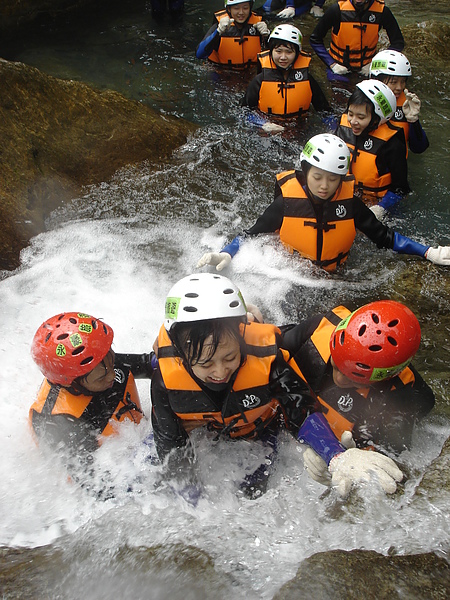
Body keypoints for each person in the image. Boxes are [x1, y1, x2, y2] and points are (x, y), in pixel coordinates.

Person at [151, 272, 405, 497]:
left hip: (259, 433)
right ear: (181, 355)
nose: (220, 372)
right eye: (206, 364)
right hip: (206, 431)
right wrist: (190, 497)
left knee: (253, 494)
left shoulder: (268, 360)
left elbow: (300, 406)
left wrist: (335, 455)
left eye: (230, 357)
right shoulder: (165, 375)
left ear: (241, 336)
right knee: (155, 476)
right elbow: (169, 439)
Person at [197, 133, 450, 273]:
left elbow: (386, 237)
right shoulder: (285, 204)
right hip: (289, 273)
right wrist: (226, 252)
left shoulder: (350, 205)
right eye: (317, 177)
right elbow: (250, 234)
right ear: (304, 173)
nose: (324, 186)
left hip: (335, 273)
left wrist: (427, 252)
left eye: (333, 179)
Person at [280, 301, 435, 461]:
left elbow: (392, 466)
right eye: (337, 366)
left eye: (355, 380)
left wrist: (352, 462)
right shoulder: (323, 326)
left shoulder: (399, 396)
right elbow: (265, 349)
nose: (339, 379)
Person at [29, 312, 156, 470]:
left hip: (134, 437)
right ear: (71, 384)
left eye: (111, 362)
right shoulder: (61, 423)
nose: (112, 375)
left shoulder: (98, 362)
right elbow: (98, 486)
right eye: (102, 377)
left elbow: (149, 364)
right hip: (108, 468)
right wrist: (147, 452)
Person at [335, 79, 410, 215]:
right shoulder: (343, 127)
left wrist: (381, 208)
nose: (353, 121)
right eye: (351, 114)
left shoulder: (392, 143)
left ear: (377, 119)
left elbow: (401, 189)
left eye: (361, 117)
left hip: (377, 205)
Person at [241, 24, 330, 121]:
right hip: (268, 128)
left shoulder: (307, 79)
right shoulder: (260, 80)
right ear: (271, 52)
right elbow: (244, 111)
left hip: (299, 126)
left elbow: (325, 111)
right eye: (278, 51)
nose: (283, 57)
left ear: (297, 54)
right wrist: (262, 124)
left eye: (289, 52)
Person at [309, 0, 404, 82]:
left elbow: (398, 43)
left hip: (368, 69)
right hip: (339, 68)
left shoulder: (382, 12)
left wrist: (375, 63)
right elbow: (315, 39)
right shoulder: (336, 10)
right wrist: (332, 64)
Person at [370, 49, 429, 155]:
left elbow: (419, 148)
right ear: (376, 80)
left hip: (396, 165)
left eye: (403, 82)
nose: (399, 87)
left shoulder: (406, 104)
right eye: (393, 82)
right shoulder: (361, 102)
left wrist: (414, 121)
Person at [196, 0, 270, 69]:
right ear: (229, 9)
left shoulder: (258, 24)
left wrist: (267, 36)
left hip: (249, 72)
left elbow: (275, 52)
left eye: (245, 8)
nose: (241, 12)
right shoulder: (219, 25)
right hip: (220, 71)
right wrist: (218, 32)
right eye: (236, 8)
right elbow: (199, 54)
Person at [260, 0, 325, 19]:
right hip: (278, 3)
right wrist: (290, 6)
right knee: (267, 10)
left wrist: (318, 6)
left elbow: (307, 6)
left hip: (304, 3)